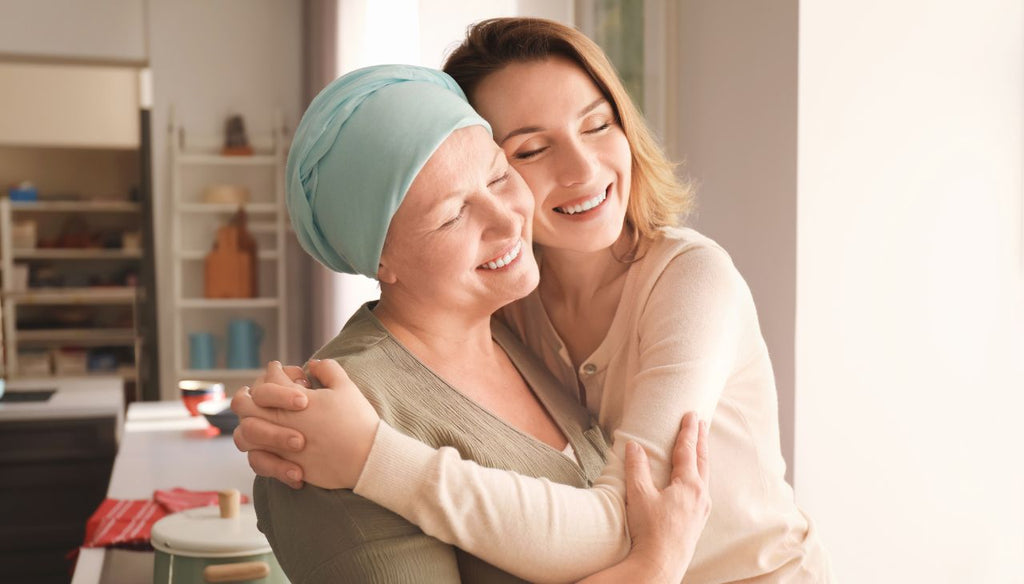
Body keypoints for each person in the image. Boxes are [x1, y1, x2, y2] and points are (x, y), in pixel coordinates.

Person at [235, 17, 834, 583]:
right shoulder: (511, 298)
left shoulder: (689, 281)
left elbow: (621, 523)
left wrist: (372, 456)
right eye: (528, 151)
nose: (581, 169)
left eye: (598, 125)